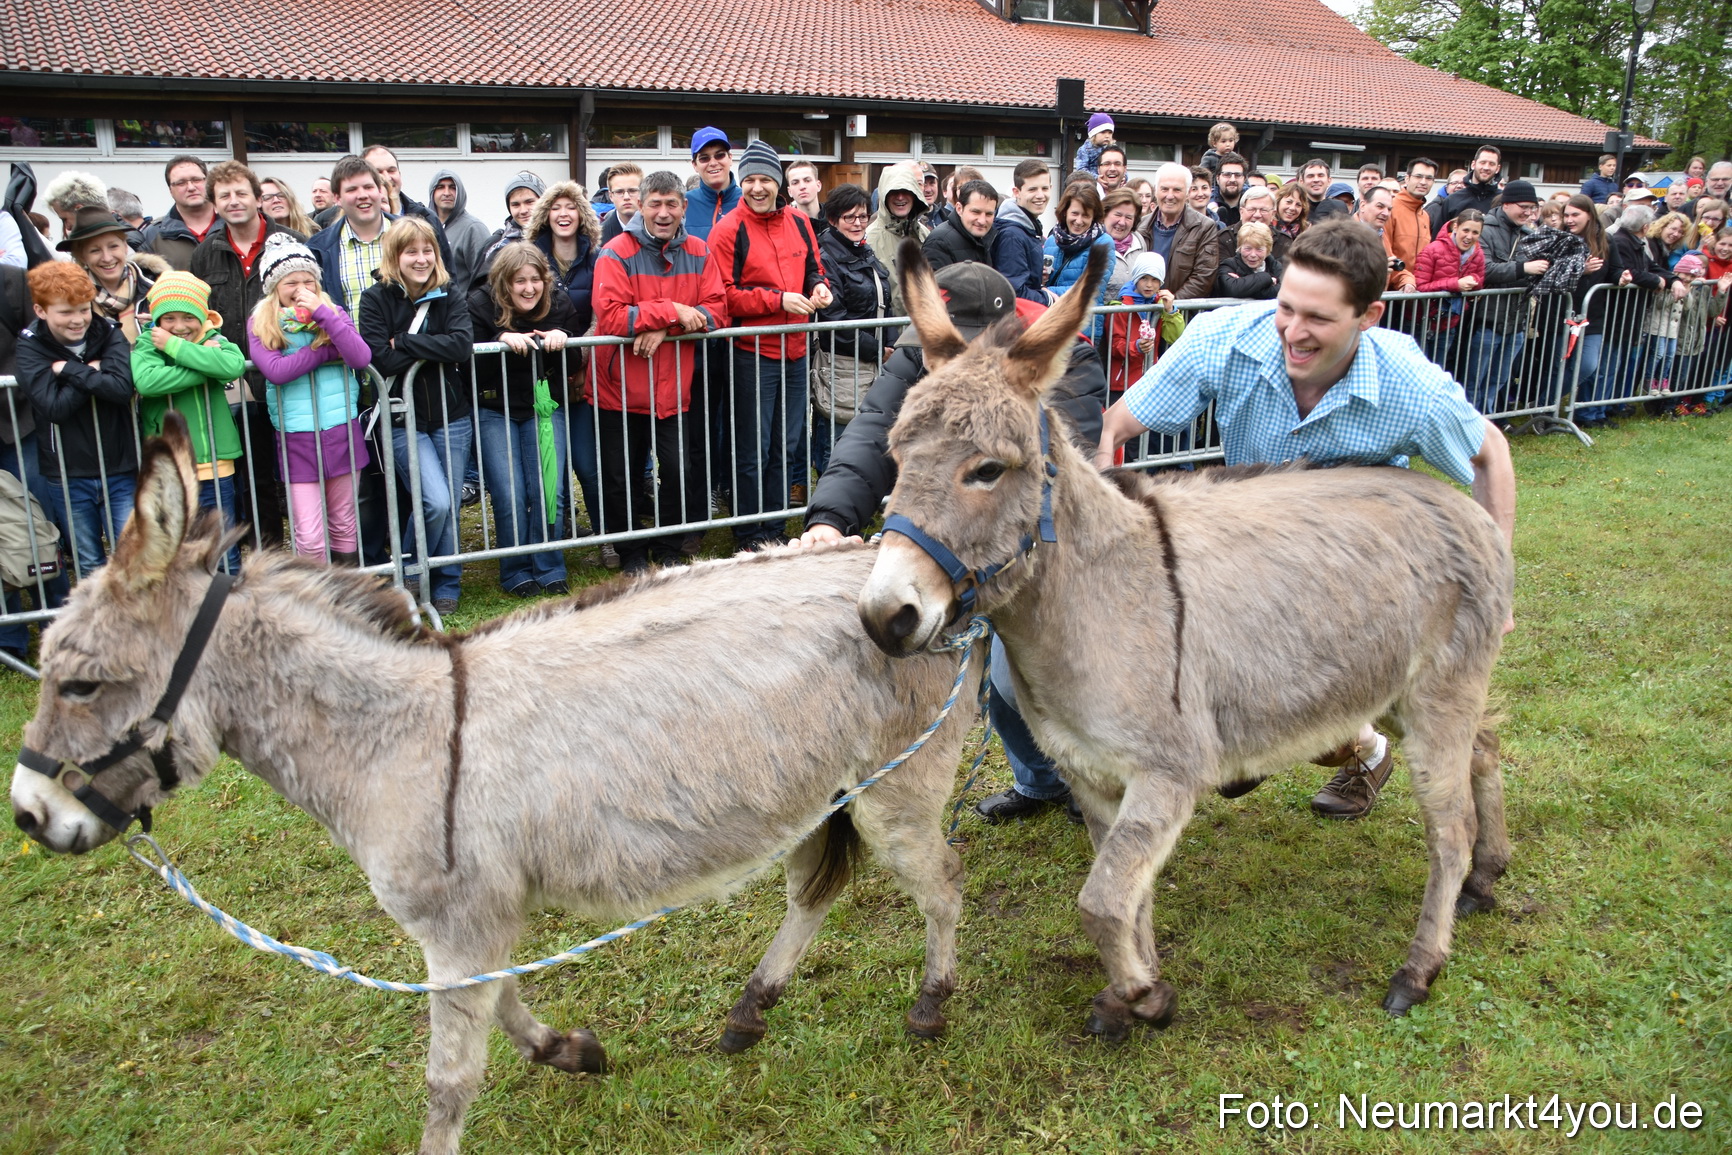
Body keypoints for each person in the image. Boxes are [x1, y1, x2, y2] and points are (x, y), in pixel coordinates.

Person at [1097, 219, 1516, 819]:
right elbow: (1116, 426)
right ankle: (1292, 746)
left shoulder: (1408, 386)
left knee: (1320, 704)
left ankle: (1359, 750)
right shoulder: (1226, 340)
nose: (1293, 331)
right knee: (1247, 693)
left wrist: (1493, 584)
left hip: (1360, 563)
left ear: (1368, 317)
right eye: (1285, 308)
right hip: (1258, 542)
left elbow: (1490, 453)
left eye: (1318, 318)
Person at [796, 262, 1109, 824]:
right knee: (994, 674)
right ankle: (1038, 781)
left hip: (1040, 551)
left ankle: (1097, 773)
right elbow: (873, 430)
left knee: (1019, 680)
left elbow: (1062, 464)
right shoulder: (925, 356)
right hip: (955, 541)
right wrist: (831, 516)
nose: (929, 359)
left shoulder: (1066, 360)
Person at [589, 169, 724, 573]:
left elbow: (716, 312)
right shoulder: (615, 251)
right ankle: (630, 551)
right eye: (655, 204)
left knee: (679, 470)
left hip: (674, 388)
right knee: (620, 477)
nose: (663, 213)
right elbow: (611, 316)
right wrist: (673, 312)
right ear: (640, 206)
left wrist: (663, 328)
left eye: (672, 204)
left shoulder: (700, 251)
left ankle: (667, 545)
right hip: (620, 388)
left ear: (684, 207)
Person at [708, 141, 832, 549]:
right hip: (752, 354)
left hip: (795, 352)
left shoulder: (798, 222)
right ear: (740, 182)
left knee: (786, 443)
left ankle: (775, 529)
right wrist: (776, 300)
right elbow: (723, 296)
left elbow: (815, 269)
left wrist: (819, 289)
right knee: (753, 447)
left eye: (765, 179)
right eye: (750, 180)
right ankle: (748, 532)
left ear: (777, 183)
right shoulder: (728, 228)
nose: (757, 188)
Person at [358, 217, 475, 613]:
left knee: (449, 507)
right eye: (411, 251)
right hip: (399, 417)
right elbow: (381, 358)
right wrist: (427, 347)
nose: (421, 259)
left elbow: (461, 345)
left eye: (427, 250)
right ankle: (408, 569)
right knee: (436, 501)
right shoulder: (374, 299)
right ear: (395, 255)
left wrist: (406, 340)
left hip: (450, 414)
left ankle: (448, 584)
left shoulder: (449, 294)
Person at [190, 162, 303, 554]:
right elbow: (200, 314)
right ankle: (251, 556)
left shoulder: (288, 241)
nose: (233, 201)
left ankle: (275, 558)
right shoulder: (206, 253)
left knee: (283, 475)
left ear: (258, 198)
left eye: (241, 193)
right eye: (224, 196)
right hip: (232, 382)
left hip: (284, 374)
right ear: (215, 204)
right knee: (246, 477)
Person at [247, 234, 372, 564]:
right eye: (291, 282)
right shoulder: (261, 321)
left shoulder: (333, 313)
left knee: (344, 524)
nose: (301, 288)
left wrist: (323, 315)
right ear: (275, 287)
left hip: (341, 429)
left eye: (308, 280)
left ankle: (345, 595)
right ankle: (314, 599)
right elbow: (275, 370)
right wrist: (324, 352)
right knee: (309, 534)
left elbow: (360, 357)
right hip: (296, 437)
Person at [15, 261, 138, 579]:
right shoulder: (30, 344)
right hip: (68, 472)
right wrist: (93, 372)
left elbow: (122, 388)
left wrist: (68, 370)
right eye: (65, 312)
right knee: (88, 562)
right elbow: (53, 407)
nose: (78, 320)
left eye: (84, 310)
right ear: (41, 311)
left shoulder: (107, 331)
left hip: (119, 464)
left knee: (132, 559)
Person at [466, 242, 574, 595]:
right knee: (509, 492)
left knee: (549, 488)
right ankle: (515, 570)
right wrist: (499, 340)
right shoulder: (480, 304)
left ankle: (548, 563)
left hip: (543, 407)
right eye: (519, 281)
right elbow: (467, 363)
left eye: (535, 280)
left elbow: (573, 367)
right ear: (503, 283)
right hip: (495, 408)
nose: (529, 288)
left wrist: (564, 340)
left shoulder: (559, 304)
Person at [130, 270, 247, 573]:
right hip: (171, 464)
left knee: (222, 543)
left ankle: (230, 605)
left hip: (216, 463)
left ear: (202, 316)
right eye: (169, 319)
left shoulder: (215, 339)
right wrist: (203, 366)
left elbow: (232, 366)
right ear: (156, 319)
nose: (179, 326)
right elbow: (147, 381)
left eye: (188, 317)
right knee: (180, 545)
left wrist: (175, 348)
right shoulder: (146, 344)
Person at [524, 180, 601, 530]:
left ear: (582, 215)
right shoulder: (530, 258)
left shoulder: (598, 260)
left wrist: (580, 359)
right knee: (551, 462)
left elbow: (602, 315)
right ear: (545, 215)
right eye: (556, 207)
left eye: (571, 207)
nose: (564, 214)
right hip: (542, 378)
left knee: (589, 463)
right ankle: (559, 530)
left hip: (586, 374)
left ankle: (605, 534)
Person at [813, 183, 893, 476]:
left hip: (873, 361)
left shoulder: (865, 250)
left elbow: (885, 302)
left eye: (862, 216)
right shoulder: (826, 257)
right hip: (843, 364)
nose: (858, 223)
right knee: (837, 441)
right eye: (850, 217)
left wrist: (890, 345)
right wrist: (879, 350)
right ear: (833, 219)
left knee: (866, 437)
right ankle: (830, 502)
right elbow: (835, 322)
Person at [1561, 194, 1627, 426]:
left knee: (1588, 365)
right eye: (1566, 215)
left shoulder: (1606, 241)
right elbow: (1553, 276)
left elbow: (1615, 270)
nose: (1569, 219)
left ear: (1589, 215)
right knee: (1559, 364)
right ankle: (1543, 404)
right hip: (1561, 315)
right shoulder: (1561, 240)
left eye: (1575, 215)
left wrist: (1622, 277)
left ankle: (1549, 401)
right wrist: (1582, 270)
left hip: (1593, 317)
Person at [306, 156, 397, 316]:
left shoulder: (415, 236)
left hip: (407, 341)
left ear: (379, 190)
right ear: (337, 198)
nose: (362, 195)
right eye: (352, 189)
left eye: (368, 187)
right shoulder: (318, 250)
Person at [58, 207, 165, 343]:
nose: (107, 258)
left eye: (113, 246)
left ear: (125, 247)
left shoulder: (159, 287)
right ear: (82, 256)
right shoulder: (71, 299)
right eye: (95, 250)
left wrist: (165, 326)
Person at [359, 145, 455, 271]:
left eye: (391, 170)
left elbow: (447, 274)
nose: (387, 178)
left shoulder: (426, 218)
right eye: (378, 172)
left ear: (400, 174)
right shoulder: (340, 222)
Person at [1104, 250, 1184, 402]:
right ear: (1136, 278)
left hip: (1150, 381)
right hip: (1122, 383)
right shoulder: (1121, 307)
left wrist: (1171, 312)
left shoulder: (1160, 304)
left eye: (1155, 280)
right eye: (1144, 278)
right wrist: (1136, 347)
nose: (1149, 284)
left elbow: (1175, 337)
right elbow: (1115, 346)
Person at [1137, 162, 1220, 300]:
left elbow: (1203, 277)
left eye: (1177, 190)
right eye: (1164, 189)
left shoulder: (1205, 227)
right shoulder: (1140, 226)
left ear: (1187, 193)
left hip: (1180, 316)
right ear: (1156, 191)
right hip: (1142, 312)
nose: (1170, 196)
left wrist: (1171, 304)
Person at [1414, 209, 1485, 368]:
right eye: (1465, 230)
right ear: (1455, 227)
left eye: (1475, 232)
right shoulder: (1433, 249)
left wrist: (1474, 281)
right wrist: (1455, 284)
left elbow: (1480, 280)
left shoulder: (1478, 254)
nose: (1469, 236)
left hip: (1448, 324)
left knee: (1438, 371)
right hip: (1420, 322)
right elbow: (1421, 286)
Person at [1044, 183, 1114, 327]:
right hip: (1051, 323)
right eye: (1075, 213)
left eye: (1086, 215)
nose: (1079, 221)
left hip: (1083, 327)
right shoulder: (1052, 240)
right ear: (1065, 211)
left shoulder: (1103, 243)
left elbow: (1091, 289)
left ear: (1094, 216)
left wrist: (1043, 293)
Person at [864, 162, 930, 314]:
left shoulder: (925, 235)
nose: (900, 197)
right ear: (884, 195)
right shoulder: (869, 240)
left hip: (923, 330)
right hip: (888, 333)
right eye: (893, 192)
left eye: (906, 191)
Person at [139, 155, 217, 270]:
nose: (191, 187)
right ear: (170, 190)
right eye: (181, 183)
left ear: (208, 182)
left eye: (196, 180)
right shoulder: (153, 235)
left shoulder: (232, 224)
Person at [992, 159, 1050, 304]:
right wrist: (1048, 299)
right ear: (1016, 192)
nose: (1040, 195)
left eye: (1045, 188)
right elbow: (1015, 292)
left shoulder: (1028, 226)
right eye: (1032, 189)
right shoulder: (1012, 235)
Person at [428, 169, 491, 295]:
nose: (447, 193)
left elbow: (486, 279)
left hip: (463, 311)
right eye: (440, 187)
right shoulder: (424, 227)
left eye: (452, 187)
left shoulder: (473, 228)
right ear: (432, 193)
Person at [478, 171, 546, 282]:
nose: (523, 210)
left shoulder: (560, 239)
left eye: (529, 202)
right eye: (516, 205)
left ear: (544, 201)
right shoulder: (496, 246)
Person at [924, 179, 997, 270]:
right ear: (959, 209)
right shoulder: (939, 243)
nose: (982, 221)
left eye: (989, 214)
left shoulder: (984, 239)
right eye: (976, 212)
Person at [685, 127, 741, 242]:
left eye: (719, 155)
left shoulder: (748, 201)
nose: (713, 163)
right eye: (704, 158)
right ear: (694, 165)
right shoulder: (683, 204)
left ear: (730, 158)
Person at [1356, 186, 1416, 292]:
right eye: (1380, 206)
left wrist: (1407, 281)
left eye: (1389, 209)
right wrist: (1377, 270)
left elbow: (1392, 267)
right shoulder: (1342, 235)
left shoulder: (1382, 235)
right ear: (1363, 205)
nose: (1385, 213)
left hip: (1375, 306)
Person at [1431, 145, 1502, 233]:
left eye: (1491, 164)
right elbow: (1439, 238)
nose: (1486, 167)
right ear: (1473, 164)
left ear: (1497, 168)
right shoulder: (1453, 200)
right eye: (1483, 162)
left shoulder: (1503, 201)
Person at [1387, 157, 1435, 279]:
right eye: (1418, 176)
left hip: (1416, 291)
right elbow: (1386, 254)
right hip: (1393, 290)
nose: (1423, 182)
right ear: (1407, 179)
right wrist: (1404, 280)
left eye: (1429, 178)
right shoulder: (1390, 209)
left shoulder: (1425, 216)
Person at [1099, 187, 1145, 301]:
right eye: (1118, 215)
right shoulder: (1093, 242)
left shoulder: (1139, 241)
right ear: (1105, 214)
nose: (1122, 222)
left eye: (1128, 217)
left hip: (1134, 317)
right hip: (1103, 317)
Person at [1215, 221, 1280, 299]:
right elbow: (1233, 290)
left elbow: (1283, 291)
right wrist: (1266, 278)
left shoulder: (1275, 266)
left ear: (1268, 250)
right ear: (1240, 248)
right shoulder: (1228, 265)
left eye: (1259, 249)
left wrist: (1245, 287)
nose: (1253, 255)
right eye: (1248, 249)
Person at [42, 171, 109, 240]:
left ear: (80, 209)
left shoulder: (97, 243)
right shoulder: (117, 239)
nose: (67, 227)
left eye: (64, 219)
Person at [597, 163, 644, 244]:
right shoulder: (598, 238)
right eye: (619, 192)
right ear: (610, 196)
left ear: (642, 192)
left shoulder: (656, 231)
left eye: (632, 191)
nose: (626, 197)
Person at [785, 160, 825, 234]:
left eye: (807, 180)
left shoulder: (836, 220)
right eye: (795, 183)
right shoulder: (784, 226)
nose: (802, 187)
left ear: (818, 185)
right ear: (789, 191)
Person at [1212, 152, 1248, 228]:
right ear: (1217, 178)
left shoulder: (1251, 208)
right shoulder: (1206, 206)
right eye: (1227, 174)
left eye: (1237, 175)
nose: (1232, 179)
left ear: (1244, 179)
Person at [1274, 180, 1310, 250]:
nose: (1292, 208)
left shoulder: (1305, 231)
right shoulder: (1268, 227)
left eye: (1298, 205)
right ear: (1278, 202)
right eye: (1289, 202)